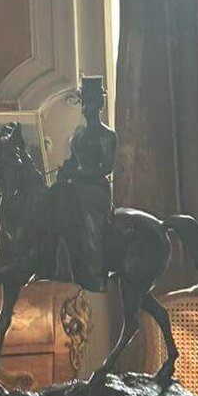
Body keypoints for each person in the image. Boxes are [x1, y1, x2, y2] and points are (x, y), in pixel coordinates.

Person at [53, 77, 117, 293]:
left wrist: (78, 174)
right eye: (83, 103)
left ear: (98, 104)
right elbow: (73, 160)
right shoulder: (79, 133)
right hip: (77, 186)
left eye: (88, 103)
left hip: (95, 190)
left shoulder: (107, 135)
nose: (85, 108)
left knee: (87, 217)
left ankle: (93, 272)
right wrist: (65, 171)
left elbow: (106, 168)